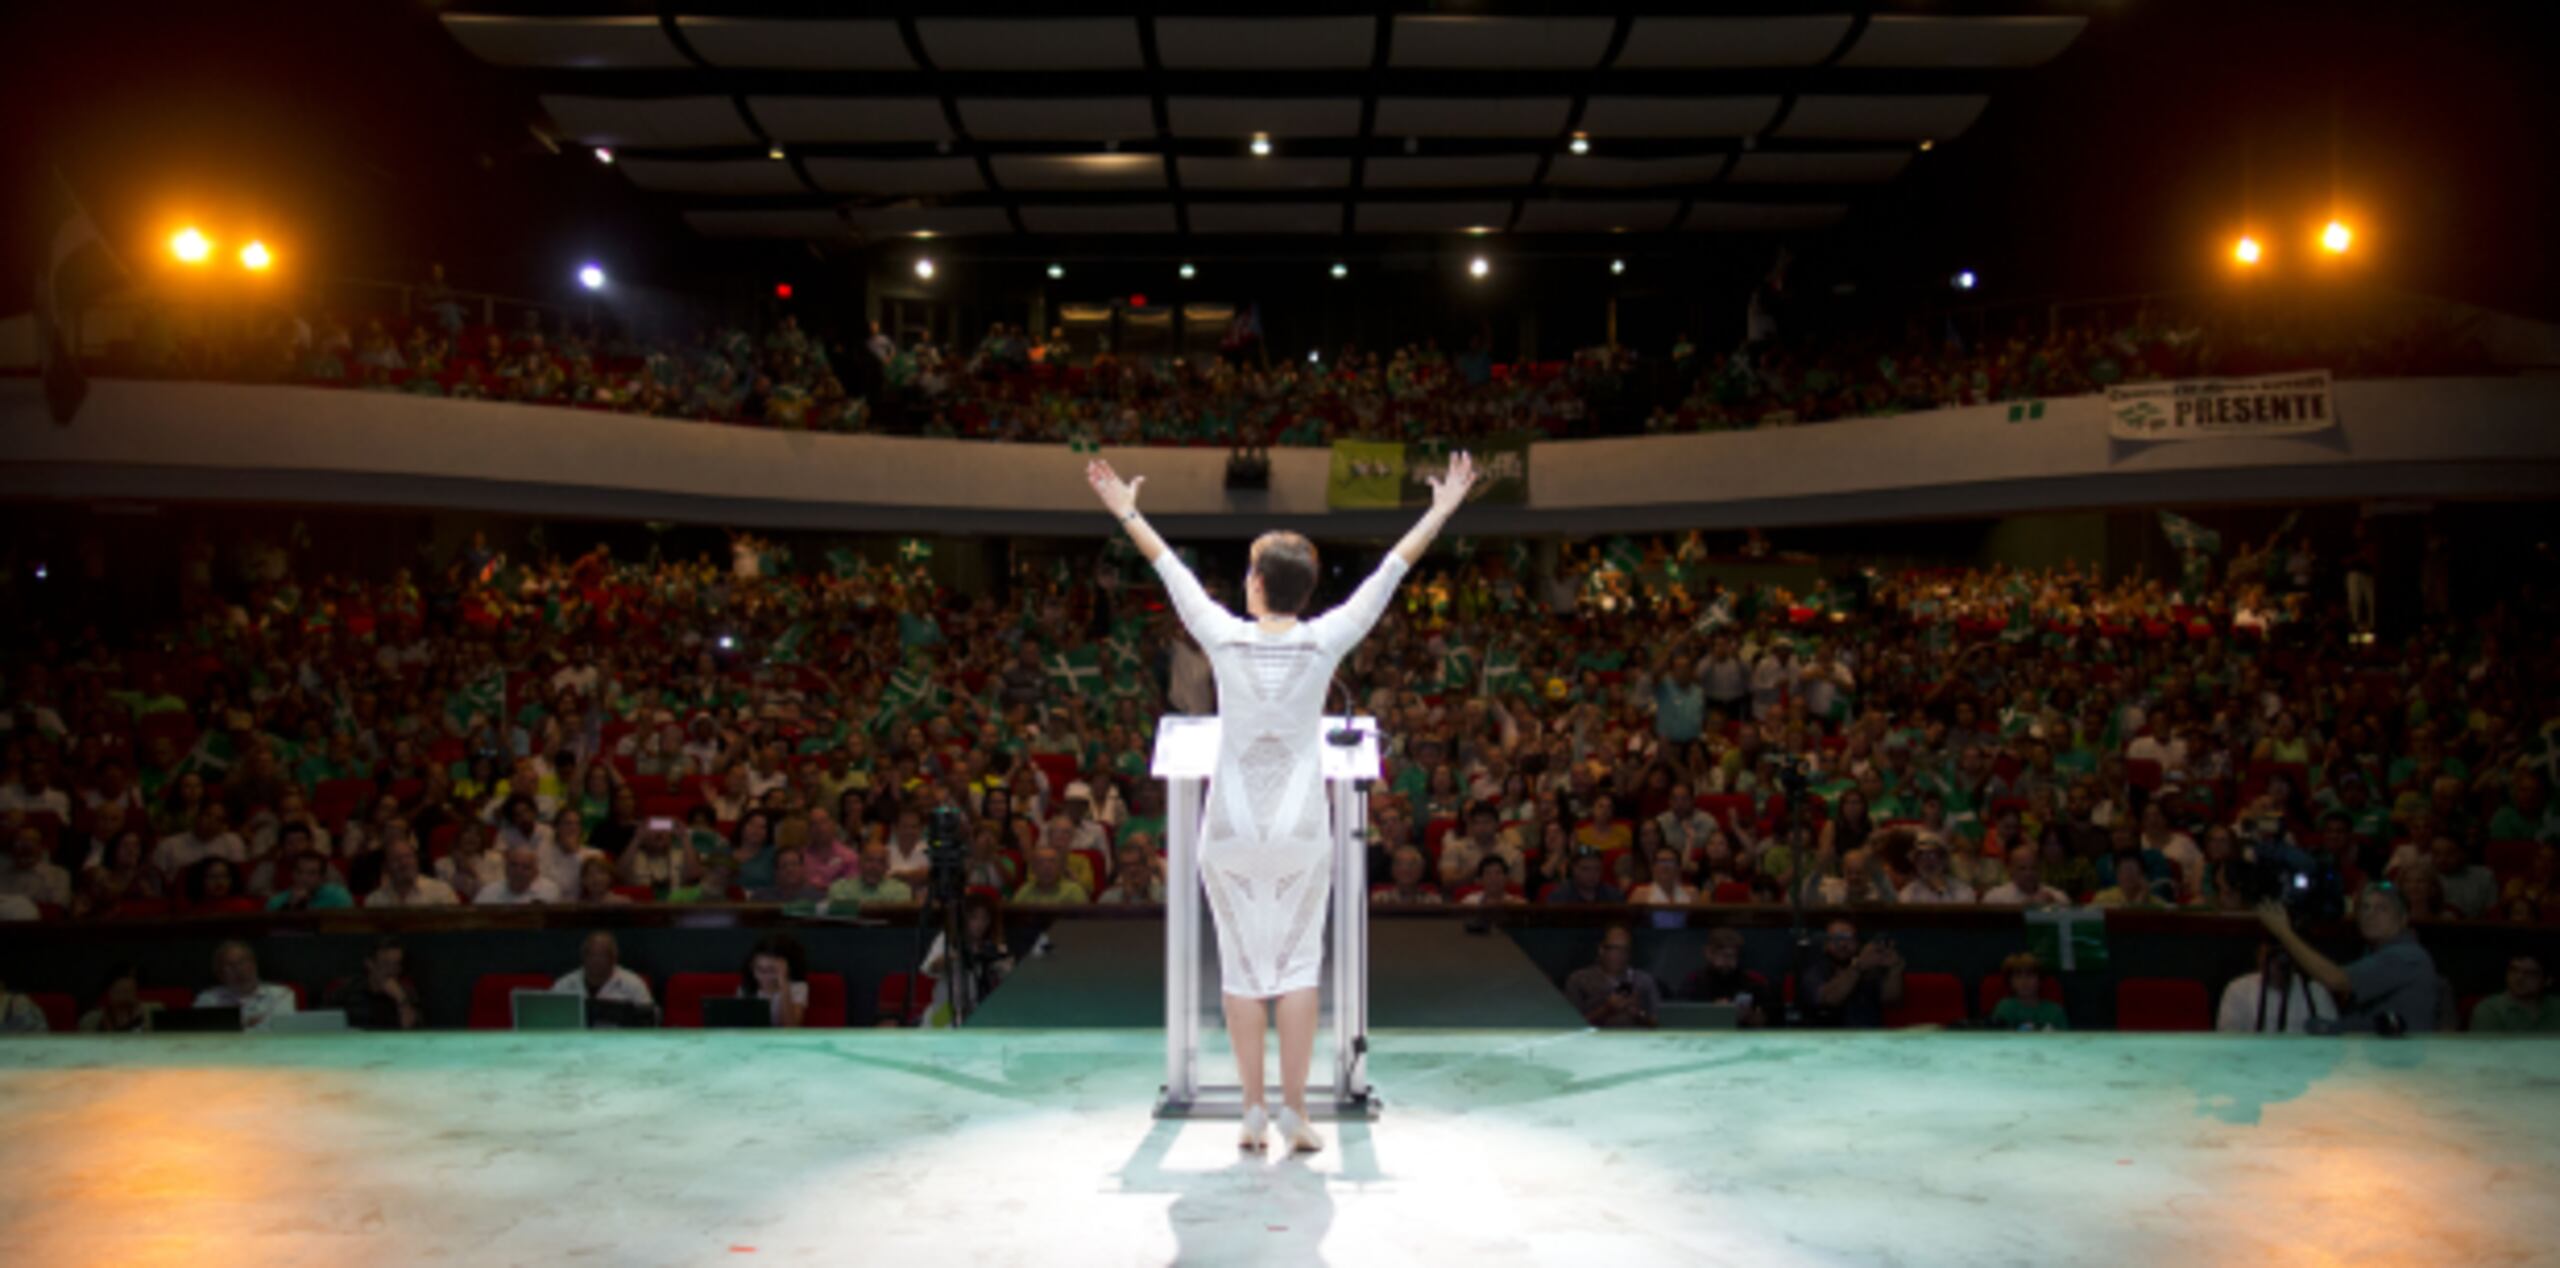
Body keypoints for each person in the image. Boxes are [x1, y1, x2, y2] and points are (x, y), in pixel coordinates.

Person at [1089, 448, 1472, 1156]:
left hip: (1231, 823)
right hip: (1299, 825)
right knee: (1297, 968)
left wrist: (1126, 511)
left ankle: (1254, 1112)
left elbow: (1165, 566)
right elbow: (1394, 569)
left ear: (1258, 584)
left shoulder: (1223, 634)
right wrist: (1442, 509)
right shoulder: (1327, 638)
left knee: (1241, 969)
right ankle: (1297, 1113)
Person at [2253, 885, 2441, 1033]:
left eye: (2382, 908)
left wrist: (2283, 932)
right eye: (2365, 907)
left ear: (2403, 919)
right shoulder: (2374, 953)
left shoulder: (2407, 956)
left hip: (2401, 1068)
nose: (2370, 914)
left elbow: (2336, 979)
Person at [919, 890, 1013, 1028]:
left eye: (985, 918)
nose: (980, 924)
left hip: (978, 1007)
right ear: (963, 919)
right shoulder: (947, 939)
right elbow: (931, 967)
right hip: (946, 1009)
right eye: (974, 918)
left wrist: (997, 964)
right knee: (933, 1034)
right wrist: (953, 957)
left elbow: (1010, 976)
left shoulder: (996, 946)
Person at [1799, 917, 1904, 1028]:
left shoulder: (1871, 969)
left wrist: (1894, 969)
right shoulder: (1815, 970)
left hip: (1869, 1038)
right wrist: (1858, 966)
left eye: (1849, 939)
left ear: (1858, 943)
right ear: (1825, 944)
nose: (1843, 945)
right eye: (1836, 939)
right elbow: (1829, 999)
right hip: (1828, 1039)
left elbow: (1892, 1001)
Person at [2217, 942, 2340, 1034]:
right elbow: (2229, 1038)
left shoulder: (2315, 991)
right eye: (2271, 958)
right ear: (2260, 958)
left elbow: (2332, 1036)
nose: (2278, 965)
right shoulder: (2239, 990)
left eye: (2283, 959)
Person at [1563, 924, 1661, 1029]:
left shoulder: (1644, 981)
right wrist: (1606, 1010)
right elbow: (1572, 1026)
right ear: (1601, 950)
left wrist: (1638, 1013)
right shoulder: (1579, 980)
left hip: (1634, 1041)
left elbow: (1656, 1023)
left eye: (1625, 949)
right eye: (1614, 948)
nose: (1620, 955)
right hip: (1595, 1042)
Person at [553, 931, 656, 1026]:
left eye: (602, 955)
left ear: (614, 958)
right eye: (591, 955)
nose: (596, 960)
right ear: (583, 956)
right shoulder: (564, 984)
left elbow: (649, 1020)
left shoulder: (633, 984)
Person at [196, 939, 300, 1031]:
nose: (238, 969)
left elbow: (281, 1030)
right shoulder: (208, 999)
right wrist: (245, 1022)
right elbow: (198, 1031)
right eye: (230, 965)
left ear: (254, 964)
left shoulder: (281, 995)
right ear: (220, 973)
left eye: (242, 962)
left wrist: (231, 1025)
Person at [1679, 927, 1769, 1027]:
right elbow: (1681, 1017)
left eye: (1733, 956)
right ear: (1709, 953)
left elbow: (1769, 1018)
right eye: (1724, 955)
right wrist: (1713, 1011)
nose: (1728, 961)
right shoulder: (1694, 982)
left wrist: (1755, 1018)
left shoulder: (1752, 982)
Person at [325, 937, 423, 1030]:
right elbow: (324, 1024)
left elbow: (411, 1032)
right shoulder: (346, 990)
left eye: (397, 964)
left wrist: (400, 998)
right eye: (386, 964)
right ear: (370, 963)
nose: (392, 971)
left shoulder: (406, 990)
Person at [2469, 954, 2559, 1033]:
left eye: (2530, 973)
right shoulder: (2490, 1010)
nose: (2519, 978)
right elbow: (2485, 1049)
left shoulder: (2556, 1006)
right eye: (2513, 970)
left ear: (2548, 980)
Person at [740, 933, 808, 1028]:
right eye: (759, 969)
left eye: (772, 970)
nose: (765, 976)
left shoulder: (798, 987)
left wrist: (783, 983)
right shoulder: (746, 988)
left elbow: (791, 1027)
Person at [1987, 951, 2068, 1030]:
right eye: (2018, 976)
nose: (2024, 981)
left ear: (2039, 980)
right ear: (2010, 981)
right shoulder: (2005, 1008)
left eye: (2030, 975)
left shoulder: (2054, 1011)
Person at [79, 962, 162, 1033]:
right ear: (109, 992)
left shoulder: (153, 1012)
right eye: (118, 991)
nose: (123, 996)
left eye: (127, 991)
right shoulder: (90, 1020)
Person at [479, 846, 563, 905]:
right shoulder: (488, 892)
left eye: (526, 867)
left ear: (535, 873)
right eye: (513, 865)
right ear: (506, 868)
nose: (518, 871)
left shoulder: (549, 892)